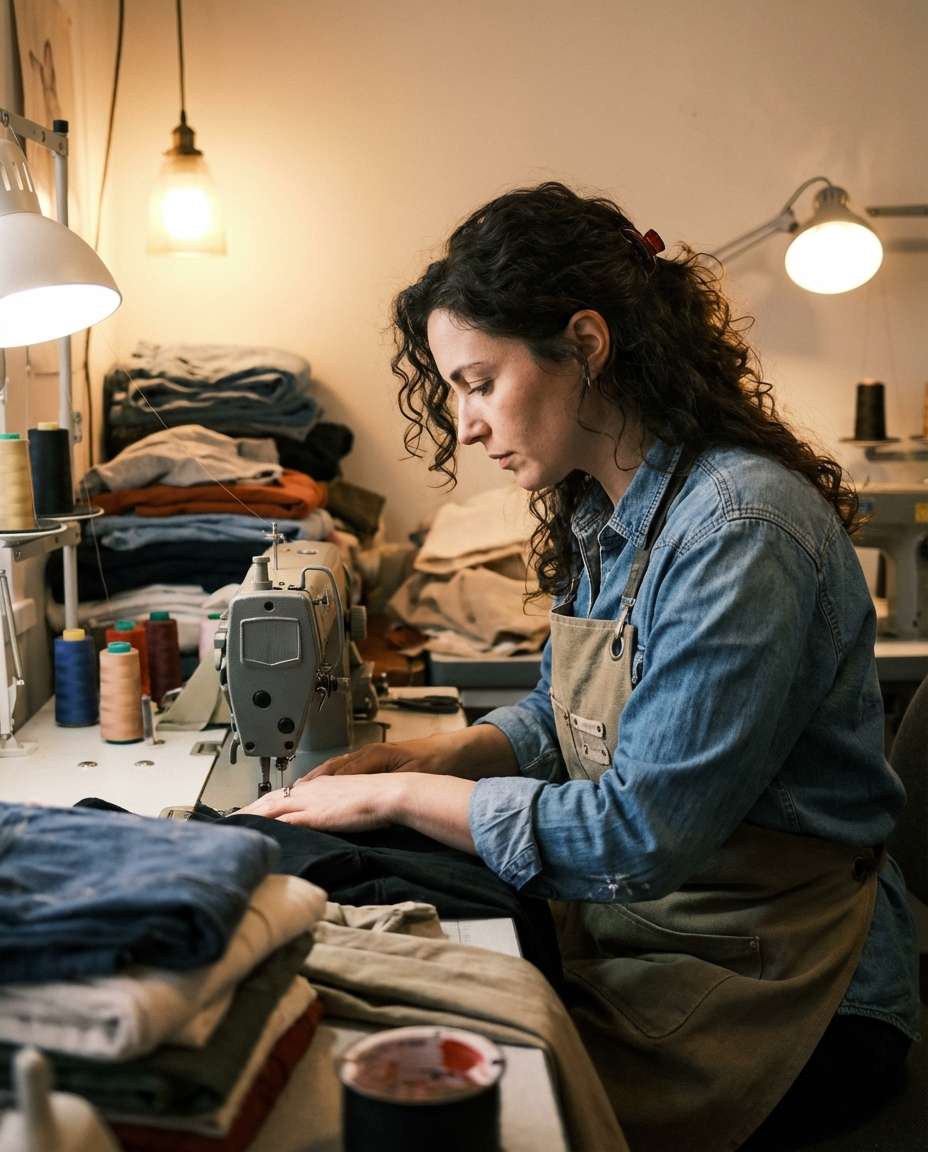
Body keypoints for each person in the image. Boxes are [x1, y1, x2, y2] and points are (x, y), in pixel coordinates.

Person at [244, 182, 919, 1151]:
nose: (465, 425)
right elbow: (565, 713)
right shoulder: (611, 507)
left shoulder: (737, 531)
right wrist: (430, 758)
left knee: (442, 1104)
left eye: (479, 382)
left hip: (787, 988)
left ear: (586, 345)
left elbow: (636, 834)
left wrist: (395, 798)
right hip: (667, 934)